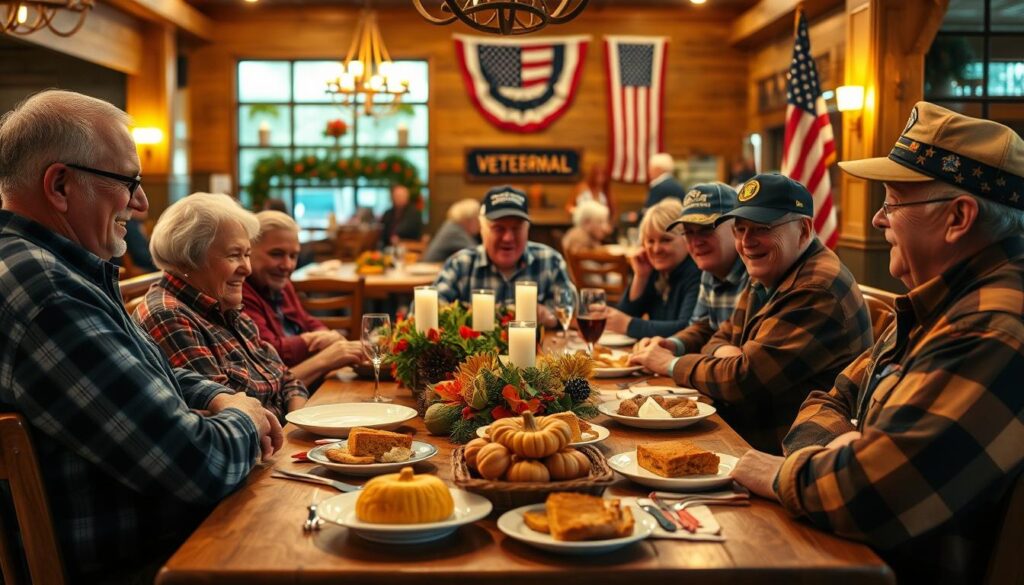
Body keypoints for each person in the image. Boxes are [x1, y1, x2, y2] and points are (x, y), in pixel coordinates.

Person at [733, 103, 1024, 585]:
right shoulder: (941, 301)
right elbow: (831, 396)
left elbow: (873, 494)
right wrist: (844, 447)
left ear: (958, 216)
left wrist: (787, 472)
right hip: (853, 556)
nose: (876, 220)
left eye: (891, 202)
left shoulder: (993, 324)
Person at [0, 89, 279, 579]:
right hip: (151, 565)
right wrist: (246, 416)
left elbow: (147, 372)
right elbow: (199, 465)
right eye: (128, 182)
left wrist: (218, 397)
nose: (143, 203)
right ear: (60, 184)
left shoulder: (55, 269)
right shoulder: (47, 292)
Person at [630, 173, 872, 454]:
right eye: (741, 229)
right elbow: (719, 336)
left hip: (783, 452)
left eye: (762, 228)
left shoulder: (816, 288)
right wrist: (727, 355)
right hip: (745, 430)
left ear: (804, 230)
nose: (747, 242)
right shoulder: (772, 269)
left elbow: (741, 381)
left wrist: (671, 364)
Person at [136, 192, 310, 421]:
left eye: (247, 254)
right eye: (234, 255)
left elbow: (288, 379)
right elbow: (236, 417)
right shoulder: (169, 315)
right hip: (259, 452)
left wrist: (299, 422)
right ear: (189, 258)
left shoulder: (223, 305)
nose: (247, 268)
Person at [242, 210, 364, 388]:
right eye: (276, 254)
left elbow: (306, 320)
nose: (288, 265)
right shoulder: (241, 291)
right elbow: (267, 353)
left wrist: (327, 335)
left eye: (293, 256)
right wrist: (309, 342)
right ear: (248, 251)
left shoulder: (282, 284)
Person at [433, 185, 572, 328]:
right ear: (482, 229)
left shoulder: (550, 260)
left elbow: (571, 311)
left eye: (516, 228)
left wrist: (548, 316)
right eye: (498, 228)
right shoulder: (460, 264)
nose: (508, 238)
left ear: (527, 230)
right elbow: (425, 312)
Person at [661, 182, 750, 352]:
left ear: (736, 227)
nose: (696, 242)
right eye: (688, 232)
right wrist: (671, 344)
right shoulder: (710, 270)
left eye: (706, 229)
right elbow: (703, 328)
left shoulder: (757, 271)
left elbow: (743, 354)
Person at [603, 198, 701, 339]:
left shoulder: (697, 271)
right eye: (650, 241)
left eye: (666, 239)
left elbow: (687, 329)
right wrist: (640, 277)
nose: (656, 249)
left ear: (687, 238)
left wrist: (629, 324)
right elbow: (624, 318)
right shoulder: (655, 271)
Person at [422, 198, 481, 263]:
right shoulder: (454, 231)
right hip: (432, 269)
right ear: (468, 219)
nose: (480, 224)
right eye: (477, 219)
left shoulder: (452, 225)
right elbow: (478, 254)